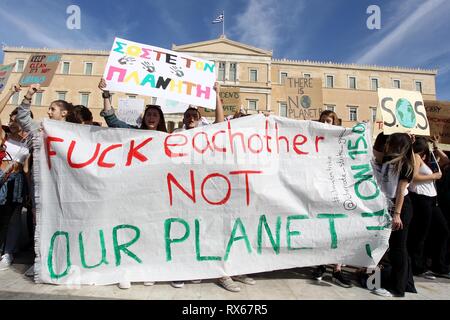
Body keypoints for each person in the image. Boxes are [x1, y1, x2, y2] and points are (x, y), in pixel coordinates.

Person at [312, 110, 352, 288]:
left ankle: (337, 269)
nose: (326, 124)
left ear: (335, 123)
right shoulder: (314, 139)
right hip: (321, 190)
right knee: (323, 229)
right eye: (323, 121)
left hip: (340, 190)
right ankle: (321, 265)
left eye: (329, 121)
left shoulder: (342, 139)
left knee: (340, 230)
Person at [376, 133, 417, 297]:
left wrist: (397, 214)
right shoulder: (388, 160)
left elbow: (400, 191)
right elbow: (376, 152)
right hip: (390, 206)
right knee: (396, 248)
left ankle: (397, 289)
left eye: (390, 142)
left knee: (398, 249)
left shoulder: (405, 165)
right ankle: (406, 284)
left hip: (400, 208)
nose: (387, 144)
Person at [407, 137, 449, 279]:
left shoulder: (427, 158)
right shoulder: (416, 157)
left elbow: (445, 162)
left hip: (431, 199)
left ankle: (438, 264)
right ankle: (417, 266)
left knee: (442, 230)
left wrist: (436, 147)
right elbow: (413, 178)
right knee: (421, 233)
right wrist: (434, 176)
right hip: (421, 198)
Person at [0, 85, 30, 271]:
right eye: (11, 120)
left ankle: (8, 252)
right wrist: (11, 92)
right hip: (2, 179)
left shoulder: (30, 141)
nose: (12, 124)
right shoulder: (4, 137)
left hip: (18, 181)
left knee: (14, 218)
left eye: (15, 121)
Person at [98, 78, 167, 132]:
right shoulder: (134, 132)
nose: (151, 117)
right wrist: (106, 94)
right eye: (148, 114)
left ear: (160, 120)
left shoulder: (167, 139)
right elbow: (112, 121)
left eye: (155, 115)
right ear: (144, 118)